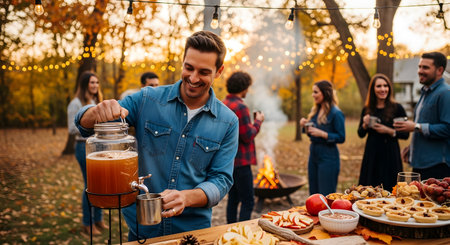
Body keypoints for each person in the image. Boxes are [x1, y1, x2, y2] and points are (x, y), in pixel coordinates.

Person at [74, 31, 239, 240]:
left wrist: (186, 197)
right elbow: (85, 125)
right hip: (142, 230)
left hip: (193, 233)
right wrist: (95, 112)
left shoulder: (228, 121)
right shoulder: (147, 99)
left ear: (219, 71)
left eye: (204, 72)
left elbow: (221, 179)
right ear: (183, 62)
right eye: (189, 68)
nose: (193, 78)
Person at [394, 52, 450, 180]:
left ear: (439, 70)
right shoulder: (425, 93)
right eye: (419, 67)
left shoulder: (445, 93)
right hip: (420, 164)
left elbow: (447, 128)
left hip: (437, 167)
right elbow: (425, 124)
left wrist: (416, 127)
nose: (420, 71)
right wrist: (413, 148)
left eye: (425, 67)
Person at [67, 71, 106, 235]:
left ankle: (98, 219)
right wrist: (93, 125)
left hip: (100, 147)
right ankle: (87, 223)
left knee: (100, 184)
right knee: (90, 185)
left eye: (97, 82)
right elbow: (71, 128)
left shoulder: (97, 102)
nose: (95, 86)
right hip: (83, 147)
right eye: (92, 83)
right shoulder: (75, 104)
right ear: (84, 85)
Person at [223, 71, 264, 223]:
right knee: (248, 201)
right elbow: (247, 136)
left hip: (227, 161)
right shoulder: (240, 106)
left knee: (233, 199)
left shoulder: (223, 103)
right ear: (244, 87)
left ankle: (230, 230)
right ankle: (242, 232)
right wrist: (258, 121)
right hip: (241, 162)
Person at [357, 74, 409, 192]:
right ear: (373, 89)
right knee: (369, 190)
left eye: (385, 86)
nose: (383, 89)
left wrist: (389, 131)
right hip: (372, 155)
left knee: (391, 189)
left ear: (389, 88)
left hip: (390, 154)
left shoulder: (397, 108)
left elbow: (405, 135)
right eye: (379, 86)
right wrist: (365, 124)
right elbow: (360, 134)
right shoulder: (367, 109)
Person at [300, 80, 345, 196]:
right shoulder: (315, 111)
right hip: (313, 154)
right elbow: (311, 133)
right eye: (312, 92)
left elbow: (341, 137)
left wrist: (323, 134)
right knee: (313, 195)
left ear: (325, 93)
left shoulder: (336, 113)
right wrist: (305, 126)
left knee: (326, 195)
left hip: (328, 157)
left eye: (315, 92)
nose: (312, 95)